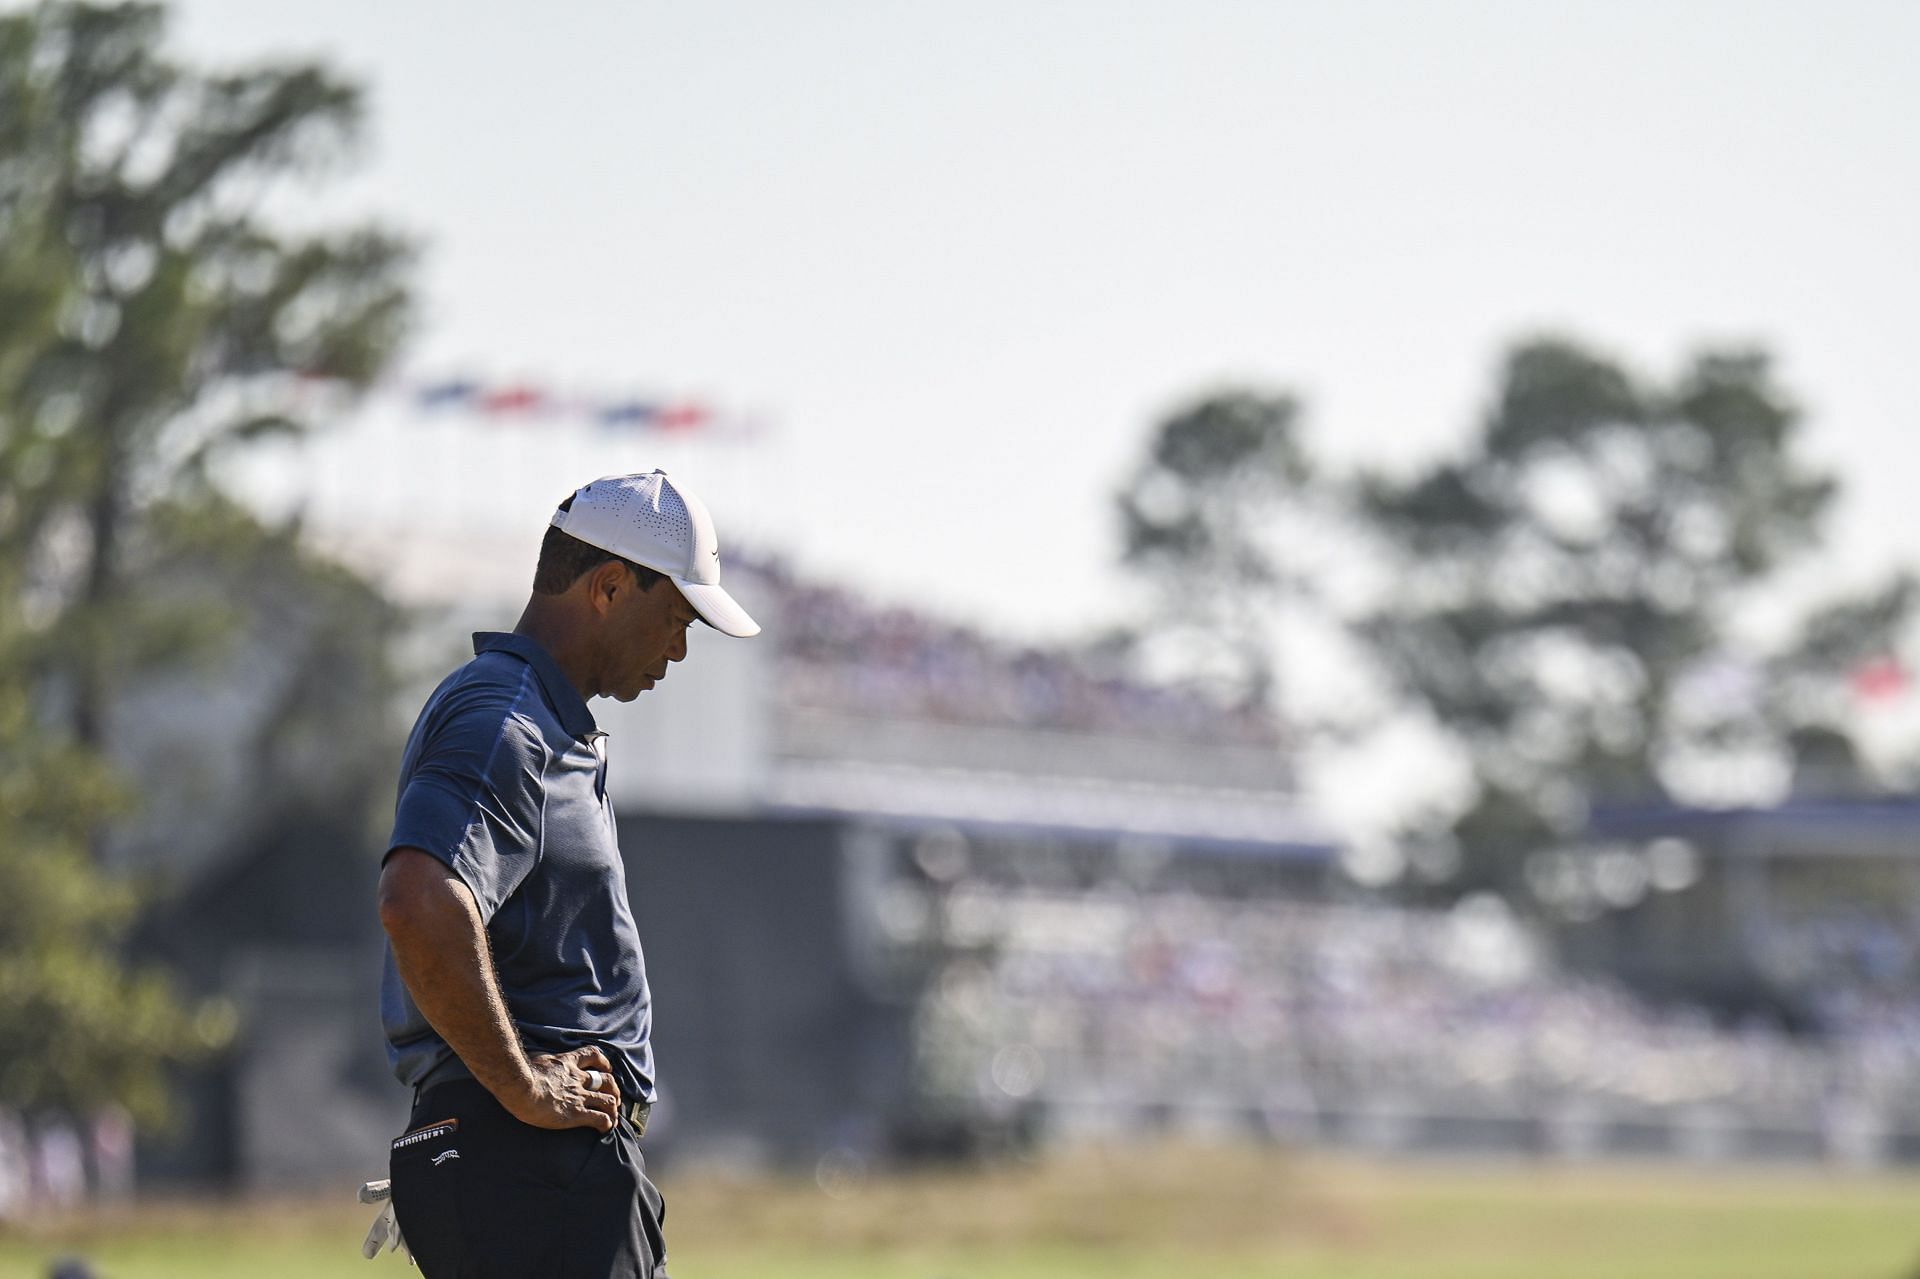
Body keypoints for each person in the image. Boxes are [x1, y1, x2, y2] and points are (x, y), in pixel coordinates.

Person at [376, 470, 759, 1278]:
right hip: (529, 1165)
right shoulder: (506, 722)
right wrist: (520, 1087)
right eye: (676, 617)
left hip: (530, 1165)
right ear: (611, 586)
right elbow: (417, 900)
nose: (681, 649)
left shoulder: (536, 720)